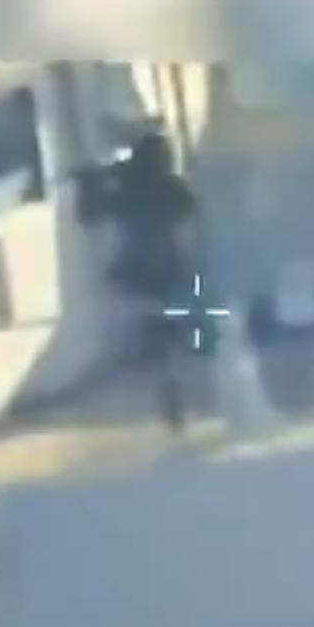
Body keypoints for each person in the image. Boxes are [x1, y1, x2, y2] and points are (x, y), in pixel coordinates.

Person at [76, 132, 197, 429]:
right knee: (165, 336)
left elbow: (88, 214)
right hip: (165, 270)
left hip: (136, 272)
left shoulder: (130, 188)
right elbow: (188, 209)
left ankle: (156, 372)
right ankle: (166, 379)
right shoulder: (168, 188)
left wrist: (89, 183)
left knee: (152, 334)